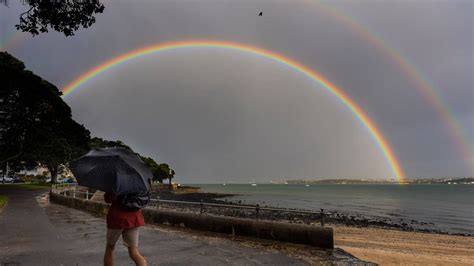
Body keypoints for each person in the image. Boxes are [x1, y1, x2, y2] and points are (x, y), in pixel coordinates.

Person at [103, 192, 147, 266]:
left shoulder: (116, 183)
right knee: (134, 252)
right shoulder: (137, 183)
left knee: (110, 248)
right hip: (134, 218)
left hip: (117, 218)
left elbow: (108, 199)